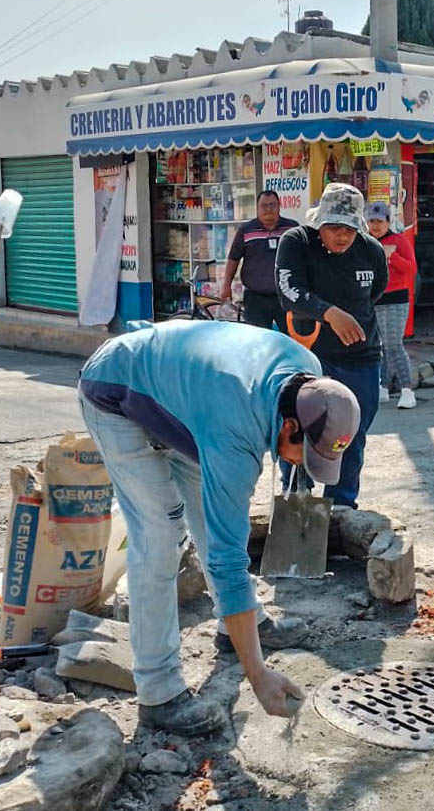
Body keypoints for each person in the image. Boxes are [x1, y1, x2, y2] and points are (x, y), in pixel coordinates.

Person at [78, 320, 360, 736]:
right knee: (160, 539)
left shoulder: (308, 374)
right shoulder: (234, 435)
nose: (301, 464)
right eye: (305, 453)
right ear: (289, 426)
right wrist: (259, 676)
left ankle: (239, 627)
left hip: (187, 402)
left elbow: (225, 532)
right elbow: (228, 558)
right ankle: (159, 693)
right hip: (117, 391)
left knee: (215, 523)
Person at [275, 183, 388, 508]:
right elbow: (288, 291)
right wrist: (329, 313)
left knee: (348, 435)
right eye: (334, 228)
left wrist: (347, 316)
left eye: (350, 230)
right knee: (300, 429)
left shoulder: (371, 251)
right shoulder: (296, 242)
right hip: (309, 357)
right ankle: (296, 498)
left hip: (361, 359)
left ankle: (342, 504)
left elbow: (375, 292)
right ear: (319, 223)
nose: (342, 236)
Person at [365, 202, 419, 410]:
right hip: (373, 300)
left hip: (396, 299)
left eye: (379, 221)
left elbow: (411, 269)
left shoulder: (399, 240)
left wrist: (392, 256)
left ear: (388, 222)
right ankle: (383, 387)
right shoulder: (366, 242)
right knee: (378, 346)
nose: (375, 226)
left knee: (394, 345)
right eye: (371, 221)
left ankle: (407, 390)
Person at [220, 190, 298, 330]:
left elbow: (304, 257)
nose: (268, 209)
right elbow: (233, 259)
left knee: (292, 338)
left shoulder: (292, 228)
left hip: (287, 296)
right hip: (256, 299)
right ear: (257, 208)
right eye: (264, 206)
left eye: (272, 205)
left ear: (279, 206)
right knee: (258, 341)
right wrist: (226, 285)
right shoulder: (246, 230)